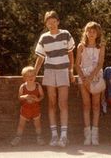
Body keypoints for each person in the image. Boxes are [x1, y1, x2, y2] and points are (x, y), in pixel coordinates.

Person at [34, 10, 75, 147]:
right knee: (51, 103)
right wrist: (34, 72)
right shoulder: (44, 37)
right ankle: (54, 136)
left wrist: (71, 70)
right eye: (48, 22)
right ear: (46, 24)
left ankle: (64, 136)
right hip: (50, 71)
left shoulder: (66, 34)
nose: (51, 24)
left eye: (53, 22)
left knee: (63, 103)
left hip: (63, 71)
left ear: (58, 21)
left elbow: (71, 54)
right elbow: (40, 57)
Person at [76, 21, 105, 145]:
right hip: (83, 77)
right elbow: (77, 64)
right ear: (86, 32)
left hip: (96, 76)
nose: (91, 33)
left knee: (96, 105)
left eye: (94, 31)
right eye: (89, 31)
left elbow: (100, 63)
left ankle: (95, 134)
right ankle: (87, 135)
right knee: (86, 105)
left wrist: (91, 77)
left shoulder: (101, 46)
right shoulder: (81, 46)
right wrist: (83, 78)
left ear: (98, 33)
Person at [11, 66, 45, 146]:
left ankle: (39, 137)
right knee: (21, 125)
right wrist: (25, 96)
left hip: (35, 108)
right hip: (25, 109)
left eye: (32, 75)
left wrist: (38, 99)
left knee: (37, 124)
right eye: (28, 76)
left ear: (35, 76)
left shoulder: (37, 86)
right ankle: (18, 137)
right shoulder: (22, 86)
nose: (30, 77)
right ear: (24, 77)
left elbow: (42, 96)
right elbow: (19, 97)